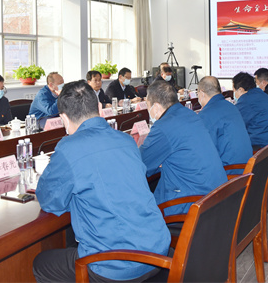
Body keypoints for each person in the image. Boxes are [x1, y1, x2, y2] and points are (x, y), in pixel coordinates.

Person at [33, 81, 170, 283]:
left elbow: (49, 200)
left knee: (41, 263)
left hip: (115, 265)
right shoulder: (125, 140)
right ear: (99, 107)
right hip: (158, 250)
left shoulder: (69, 148)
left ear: (63, 118)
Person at [140, 80, 227, 215]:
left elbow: (141, 164)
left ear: (156, 106)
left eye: (147, 105)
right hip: (216, 196)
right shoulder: (189, 114)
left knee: (141, 208)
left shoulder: (164, 126)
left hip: (193, 204)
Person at [196, 76, 252, 173]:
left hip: (231, 171)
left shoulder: (206, 115)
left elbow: (204, 152)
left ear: (202, 93)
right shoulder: (230, 106)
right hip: (245, 167)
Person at [233, 72, 268, 150]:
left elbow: (235, 123)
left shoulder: (247, 100)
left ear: (240, 89)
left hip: (267, 146)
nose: (234, 94)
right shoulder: (259, 93)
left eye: (234, 90)